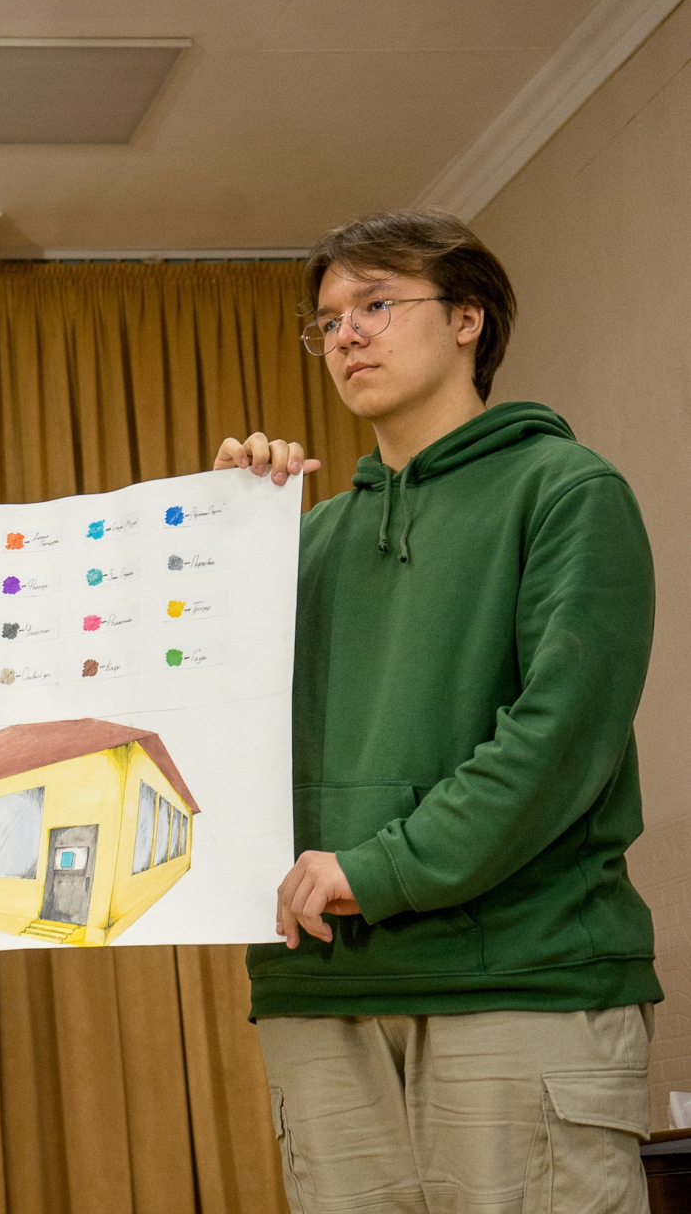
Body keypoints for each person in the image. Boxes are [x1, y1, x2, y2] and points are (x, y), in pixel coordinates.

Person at [216, 211, 659, 1212]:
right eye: (328, 321)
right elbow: (208, 728)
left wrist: (378, 870)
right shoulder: (304, 540)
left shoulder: (567, 491)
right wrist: (218, 541)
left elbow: (558, 737)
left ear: (468, 319)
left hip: (521, 981)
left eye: (375, 304)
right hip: (321, 991)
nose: (345, 335)